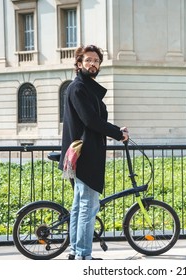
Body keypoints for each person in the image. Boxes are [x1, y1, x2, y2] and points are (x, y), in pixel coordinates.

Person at [59, 44, 129, 260]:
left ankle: (76, 252)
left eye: (96, 61)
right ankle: (83, 255)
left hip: (82, 156)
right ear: (79, 64)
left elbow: (94, 120)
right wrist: (117, 133)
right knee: (88, 208)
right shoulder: (78, 88)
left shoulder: (83, 87)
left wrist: (116, 130)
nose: (93, 64)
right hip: (85, 157)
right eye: (88, 60)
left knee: (80, 207)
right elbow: (91, 121)